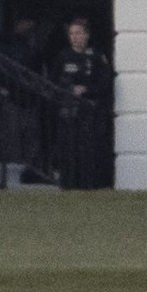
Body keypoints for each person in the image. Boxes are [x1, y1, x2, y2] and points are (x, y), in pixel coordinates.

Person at [44, 17, 113, 189]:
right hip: (68, 112)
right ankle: (68, 184)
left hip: (91, 114)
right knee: (68, 149)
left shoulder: (97, 56)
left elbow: (105, 83)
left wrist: (86, 90)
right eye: (72, 34)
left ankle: (90, 185)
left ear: (87, 35)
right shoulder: (63, 57)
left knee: (89, 150)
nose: (75, 37)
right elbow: (53, 83)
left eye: (79, 33)